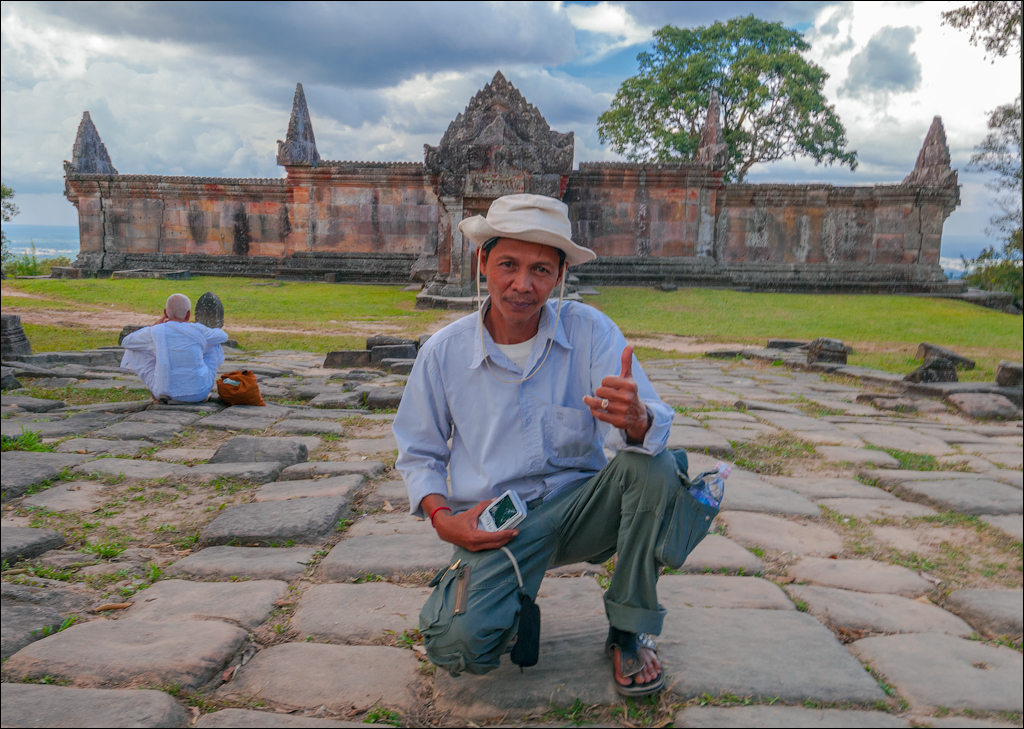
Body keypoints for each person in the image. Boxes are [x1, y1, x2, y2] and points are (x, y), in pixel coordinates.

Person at [394, 194, 703, 696]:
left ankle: (628, 629)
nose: (523, 285)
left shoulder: (589, 331)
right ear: (483, 263)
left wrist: (637, 421)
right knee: (456, 646)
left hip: (584, 511)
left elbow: (640, 422)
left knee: (656, 468)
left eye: (540, 269)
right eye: (508, 265)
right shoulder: (443, 354)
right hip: (500, 525)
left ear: (559, 276)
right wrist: (443, 518)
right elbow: (419, 451)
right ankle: (510, 603)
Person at [120, 293, 227, 403]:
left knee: (135, 348)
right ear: (188, 315)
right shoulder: (197, 329)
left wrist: (154, 326)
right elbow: (223, 336)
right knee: (214, 343)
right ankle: (199, 383)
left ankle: (157, 393)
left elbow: (127, 341)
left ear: (165, 313)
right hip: (199, 393)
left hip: (163, 392)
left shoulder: (156, 331)